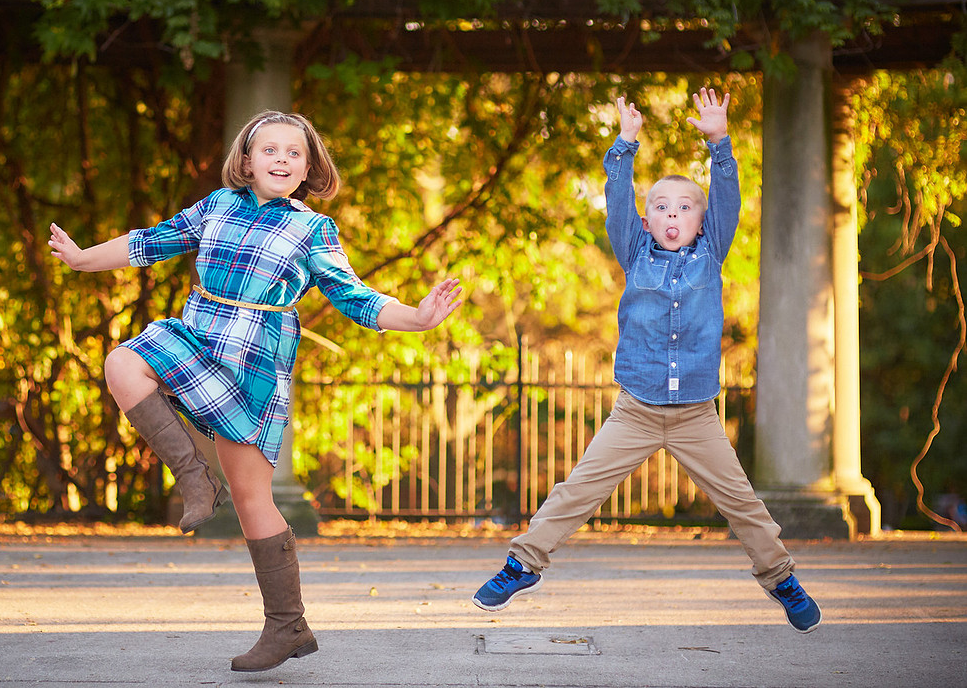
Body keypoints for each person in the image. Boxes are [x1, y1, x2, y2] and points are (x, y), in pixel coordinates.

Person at [48, 110, 463, 671]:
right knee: (123, 362)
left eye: (295, 153)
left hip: (255, 360)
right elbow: (148, 242)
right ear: (246, 161)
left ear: (309, 168)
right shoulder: (216, 205)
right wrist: (81, 259)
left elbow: (355, 297)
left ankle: (288, 626)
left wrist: (417, 317)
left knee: (252, 500)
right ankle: (195, 478)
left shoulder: (312, 229)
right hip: (198, 335)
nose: (282, 160)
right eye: (270, 150)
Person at [472, 88, 822, 634]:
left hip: (696, 415)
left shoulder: (711, 252)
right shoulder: (634, 253)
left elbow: (726, 197)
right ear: (647, 220)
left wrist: (719, 143)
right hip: (635, 411)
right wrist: (625, 144)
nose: (671, 213)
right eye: (660, 206)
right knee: (579, 489)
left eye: (684, 206)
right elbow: (617, 200)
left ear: (702, 221)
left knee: (741, 502)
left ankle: (781, 578)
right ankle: (523, 564)